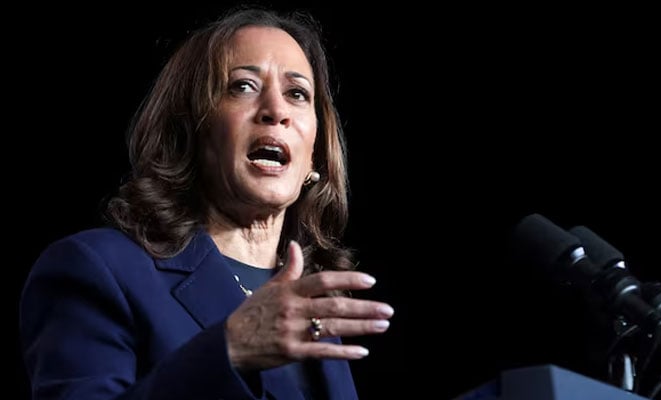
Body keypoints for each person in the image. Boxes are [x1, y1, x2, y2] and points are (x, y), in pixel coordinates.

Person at [18, 6, 394, 400]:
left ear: (314, 156)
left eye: (297, 94)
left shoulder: (314, 303)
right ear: (187, 129)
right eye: (242, 86)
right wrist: (229, 350)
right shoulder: (98, 269)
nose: (277, 111)